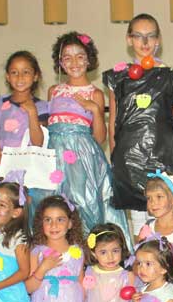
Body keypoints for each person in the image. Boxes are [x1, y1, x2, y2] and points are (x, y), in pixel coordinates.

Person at [103, 13, 173, 230]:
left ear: (158, 40)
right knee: (139, 222)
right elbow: (113, 120)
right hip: (129, 158)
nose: (144, 42)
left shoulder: (171, 77)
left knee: (163, 217)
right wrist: (115, 156)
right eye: (138, 36)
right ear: (129, 39)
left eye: (150, 36)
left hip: (163, 156)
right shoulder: (118, 77)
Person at [47, 31, 130, 240]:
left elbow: (100, 138)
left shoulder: (95, 94)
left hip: (82, 158)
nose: (74, 63)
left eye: (80, 56)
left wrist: (94, 109)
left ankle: (87, 249)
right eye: (67, 57)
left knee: (83, 203)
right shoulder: (53, 91)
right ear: (60, 62)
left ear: (89, 59)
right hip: (54, 157)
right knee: (54, 204)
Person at [0, 51, 49, 208]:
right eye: (14, 72)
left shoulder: (42, 106)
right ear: (7, 76)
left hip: (29, 171)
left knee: (26, 210)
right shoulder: (0, 103)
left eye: (26, 72)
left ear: (35, 76)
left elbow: (38, 143)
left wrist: (32, 113)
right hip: (3, 167)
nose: (20, 77)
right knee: (4, 207)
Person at [136, 171, 173, 291]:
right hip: (149, 291)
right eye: (149, 198)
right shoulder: (146, 230)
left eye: (159, 196)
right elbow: (135, 262)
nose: (153, 202)